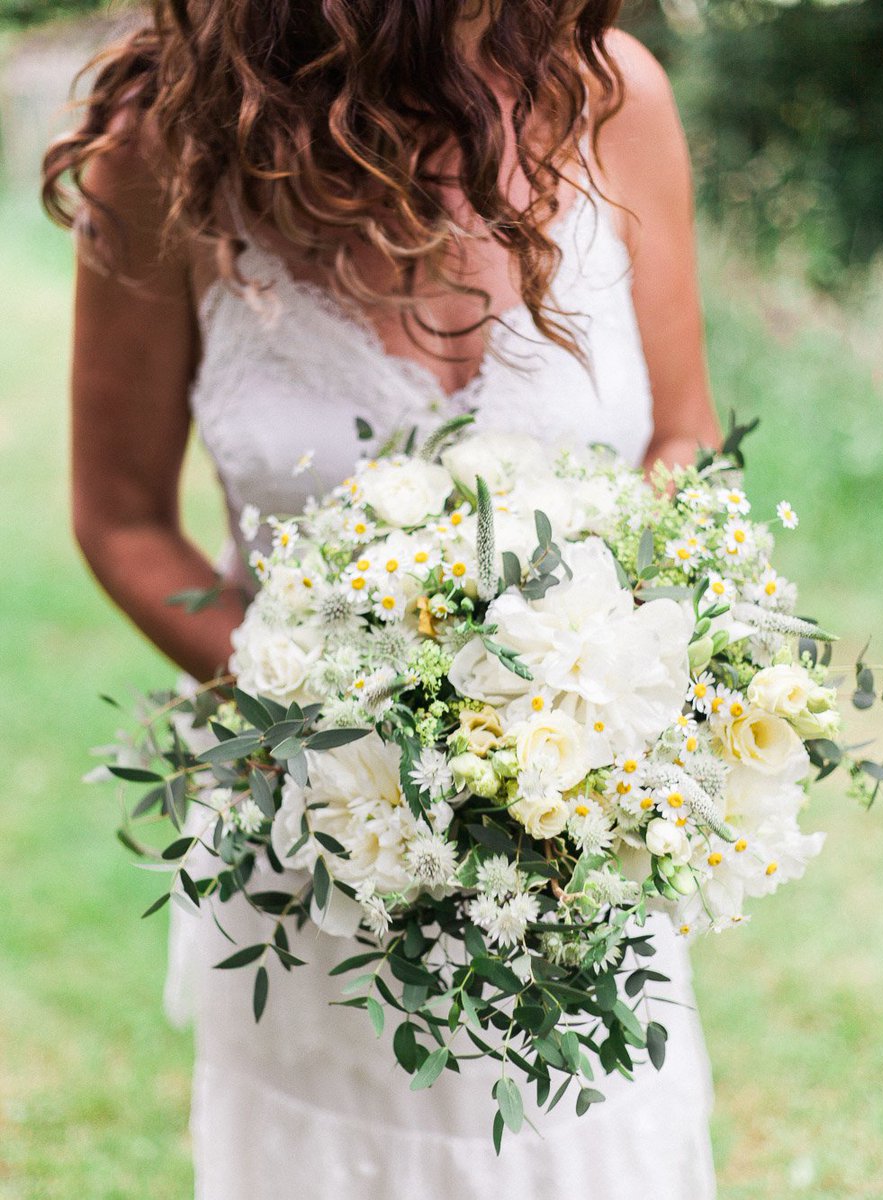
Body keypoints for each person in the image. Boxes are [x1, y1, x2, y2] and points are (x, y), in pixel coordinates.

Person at [44, 2, 721, 1196]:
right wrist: (340, 726)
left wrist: (607, 699)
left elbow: (682, 438)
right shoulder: (168, 146)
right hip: (323, 855)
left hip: (576, 849)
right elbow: (124, 520)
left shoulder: (612, 96)